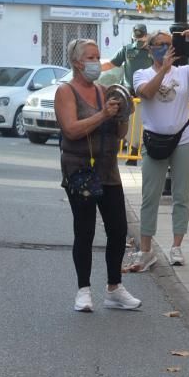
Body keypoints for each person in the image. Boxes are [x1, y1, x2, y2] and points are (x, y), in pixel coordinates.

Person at [55, 38, 142, 312]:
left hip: (107, 168)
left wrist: (124, 114)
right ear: (77, 62)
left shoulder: (105, 90)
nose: (95, 62)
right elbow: (71, 130)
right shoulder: (66, 92)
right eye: (91, 57)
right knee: (85, 230)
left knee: (118, 230)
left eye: (97, 56)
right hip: (79, 168)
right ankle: (83, 291)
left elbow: (118, 133)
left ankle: (114, 288)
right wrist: (103, 115)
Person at [130, 30, 189, 271]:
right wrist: (163, 70)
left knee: (181, 195)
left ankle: (176, 246)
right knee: (150, 196)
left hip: (184, 139)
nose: (165, 48)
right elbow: (145, 93)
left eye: (169, 44)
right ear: (150, 48)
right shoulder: (141, 74)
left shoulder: (184, 72)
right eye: (160, 44)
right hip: (154, 140)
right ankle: (146, 249)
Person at [102, 24, 153, 166]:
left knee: (141, 124)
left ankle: (136, 151)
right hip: (127, 94)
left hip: (145, 93)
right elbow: (111, 64)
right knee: (124, 122)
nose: (139, 38)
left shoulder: (152, 50)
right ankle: (126, 150)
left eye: (141, 34)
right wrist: (95, 67)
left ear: (146, 35)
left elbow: (160, 68)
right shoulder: (126, 50)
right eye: (137, 34)